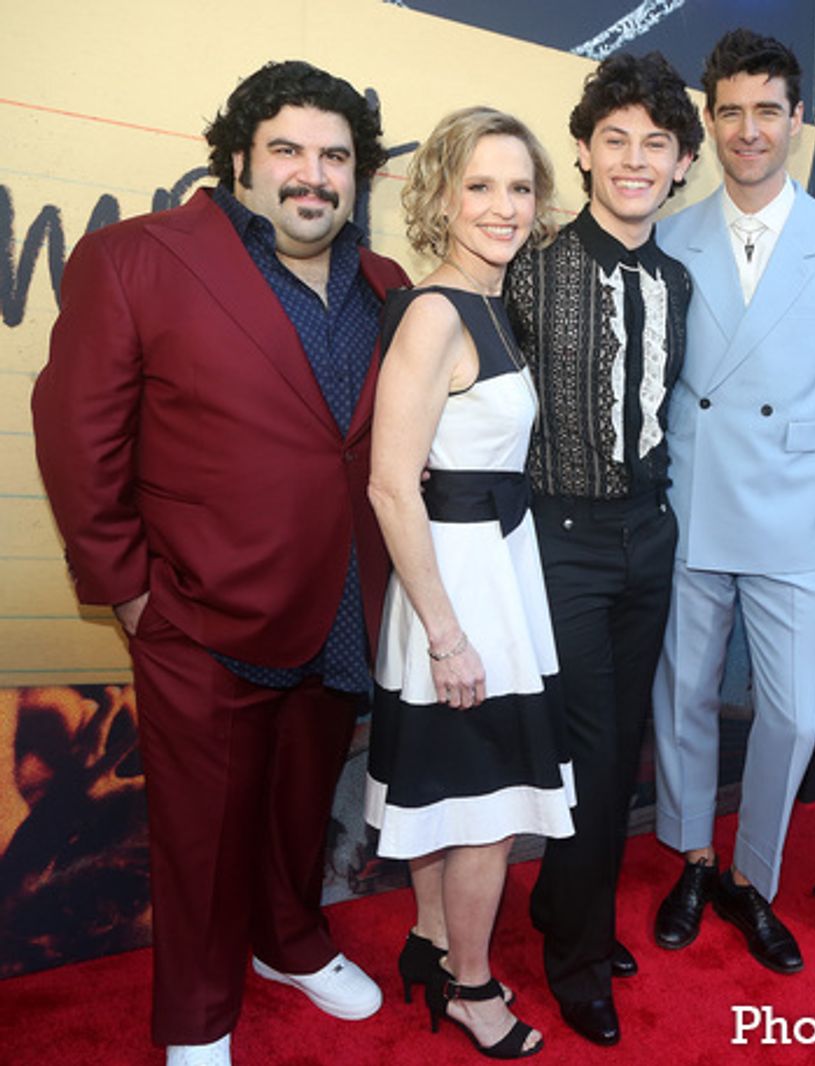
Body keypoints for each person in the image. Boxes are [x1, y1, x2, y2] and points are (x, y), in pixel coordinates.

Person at [31, 60, 409, 1066]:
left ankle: (290, 942)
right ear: (239, 158)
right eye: (287, 149)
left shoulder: (387, 285)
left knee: (300, 807)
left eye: (334, 155)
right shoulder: (135, 258)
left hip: (340, 605)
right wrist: (128, 591)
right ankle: (196, 1018)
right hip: (195, 610)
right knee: (198, 837)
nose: (312, 174)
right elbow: (77, 434)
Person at [650, 28, 815, 976]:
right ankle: (693, 857)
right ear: (708, 121)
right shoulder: (669, 233)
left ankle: (751, 879)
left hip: (797, 505)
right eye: (730, 113)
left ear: (800, 121)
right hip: (689, 498)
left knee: (792, 715)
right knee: (680, 695)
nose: (748, 131)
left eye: (768, 112)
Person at [363, 107, 573, 1060]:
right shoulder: (439, 310)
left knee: (454, 791)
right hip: (457, 584)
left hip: (491, 568)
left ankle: (433, 942)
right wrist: (446, 633)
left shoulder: (490, 301)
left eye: (519, 187)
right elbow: (388, 484)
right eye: (479, 186)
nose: (503, 206)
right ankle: (472, 989)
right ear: (440, 195)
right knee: (487, 810)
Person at [504, 53, 701, 1047]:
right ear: (581, 153)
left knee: (620, 749)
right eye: (613, 139)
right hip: (560, 538)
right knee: (585, 747)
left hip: (649, 539)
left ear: (679, 166)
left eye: (654, 145)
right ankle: (576, 955)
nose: (633, 160)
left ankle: (564, 910)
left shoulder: (677, 279)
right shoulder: (529, 267)